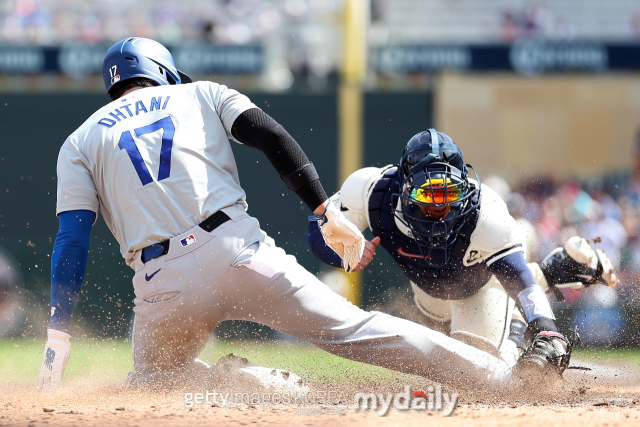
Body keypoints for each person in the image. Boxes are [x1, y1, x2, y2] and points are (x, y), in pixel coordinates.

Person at [37, 38, 519, 391]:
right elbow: (272, 136)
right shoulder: (200, 92)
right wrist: (325, 210)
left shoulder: (78, 141)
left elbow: (73, 241)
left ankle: (251, 386)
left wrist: (59, 328)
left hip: (162, 285)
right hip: (241, 255)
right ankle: (506, 380)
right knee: (361, 332)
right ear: (164, 71)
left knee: (154, 383)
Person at [306, 129, 617, 368]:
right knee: (441, 340)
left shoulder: (486, 211)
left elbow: (517, 276)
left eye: (449, 192)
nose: (440, 206)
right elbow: (316, 230)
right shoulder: (369, 191)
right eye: (429, 194)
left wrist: (546, 329)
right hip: (429, 293)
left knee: (470, 369)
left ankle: (514, 329)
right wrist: (342, 250)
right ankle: (551, 272)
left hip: (479, 286)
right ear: (404, 186)